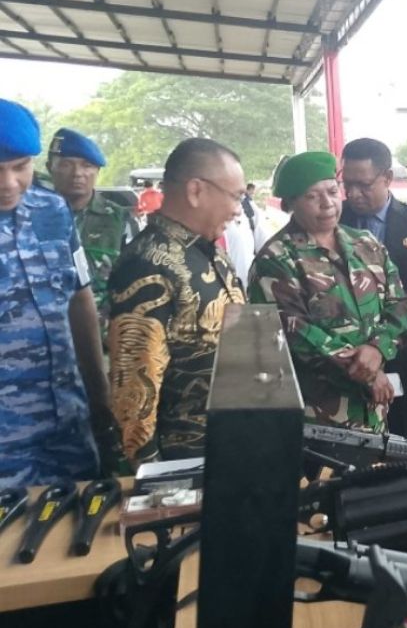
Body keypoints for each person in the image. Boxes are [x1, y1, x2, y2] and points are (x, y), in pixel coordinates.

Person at [250, 151, 407, 433]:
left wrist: (378, 348)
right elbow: (293, 333)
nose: (327, 203)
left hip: (374, 411)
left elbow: (401, 305)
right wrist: (366, 373)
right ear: (291, 204)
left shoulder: (366, 243)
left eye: (332, 191)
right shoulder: (276, 260)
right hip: (317, 419)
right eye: (313, 196)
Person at [108, 138, 247, 465]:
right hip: (185, 461)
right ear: (196, 190)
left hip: (231, 445)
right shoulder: (147, 264)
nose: (238, 208)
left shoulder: (206, 250)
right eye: (235, 196)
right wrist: (157, 487)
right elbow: (135, 400)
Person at [0, 99, 113, 489]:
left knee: (78, 527)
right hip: (5, 436)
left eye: (20, 168)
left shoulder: (52, 211)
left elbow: (80, 297)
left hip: (67, 418)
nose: (9, 184)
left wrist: (98, 390)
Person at [338, 137, 407, 440]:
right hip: (349, 361)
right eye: (347, 184)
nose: (353, 194)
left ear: (388, 178)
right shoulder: (331, 221)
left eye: (364, 185)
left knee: (405, 442)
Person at [45, 128, 135, 353]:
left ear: (97, 171)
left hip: (99, 344)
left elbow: (131, 287)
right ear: (50, 168)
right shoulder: (30, 217)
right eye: (67, 164)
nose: (78, 173)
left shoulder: (120, 221)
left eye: (87, 166)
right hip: (41, 345)